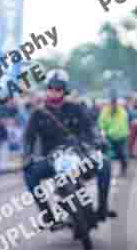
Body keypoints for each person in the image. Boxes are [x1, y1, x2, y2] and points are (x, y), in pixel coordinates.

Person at [23, 69, 116, 225]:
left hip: (78, 154)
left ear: (64, 90)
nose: (54, 91)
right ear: (46, 89)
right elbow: (28, 138)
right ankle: (47, 214)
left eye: (58, 88)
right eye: (51, 88)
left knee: (104, 163)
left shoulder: (76, 108)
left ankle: (103, 207)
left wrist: (99, 140)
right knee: (29, 173)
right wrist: (27, 155)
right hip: (51, 158)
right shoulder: (37, 113)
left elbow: (91, 126)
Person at [98, 91, 129, 177]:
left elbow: (123, 124)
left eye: (114, 103)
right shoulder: (105, 112)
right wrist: (102, 132)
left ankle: (124, 168)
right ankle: (108, 171)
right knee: (108, 155)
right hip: (109, 137)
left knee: (122, 154)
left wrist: (123, 135)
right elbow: (101, 123)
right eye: (111, 103)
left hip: (121, 137)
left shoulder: (122, 112)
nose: (113, 105)